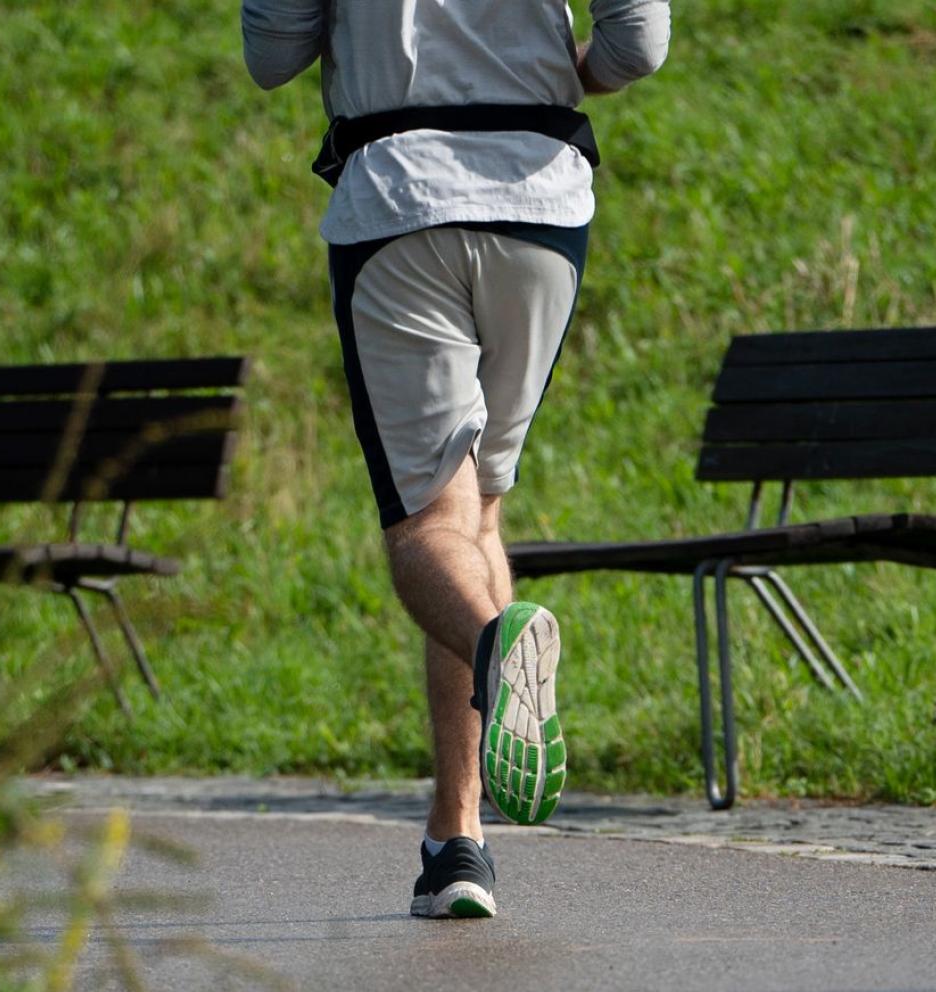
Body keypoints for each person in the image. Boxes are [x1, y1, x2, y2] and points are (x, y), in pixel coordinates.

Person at [241, 0, 670, 918]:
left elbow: (273, 56)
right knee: (477, 515)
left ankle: (494, 650)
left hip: (401, 200)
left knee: (431, 524)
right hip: (541, 207)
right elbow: (639, 42)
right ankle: (457, 844)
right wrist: (556, 72)